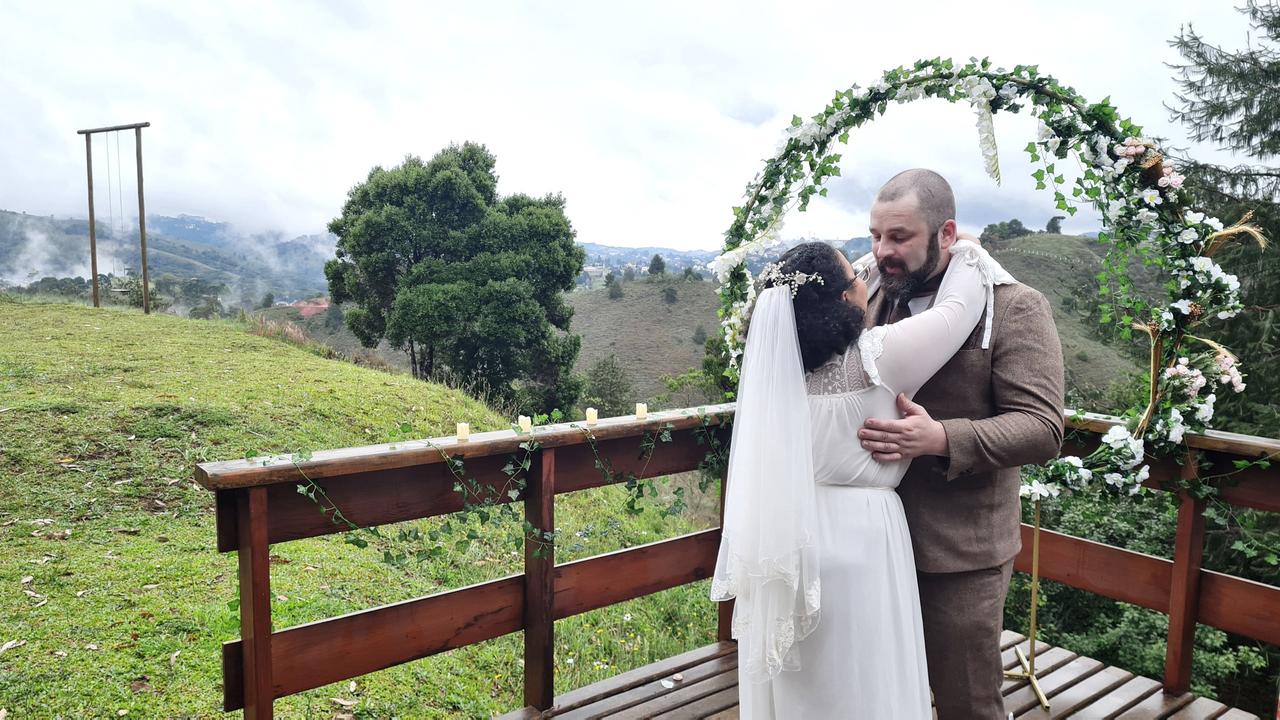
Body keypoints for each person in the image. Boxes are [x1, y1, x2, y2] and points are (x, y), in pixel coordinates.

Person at [711, 226, 1014, 718]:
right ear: (848, 297)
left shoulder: (772, 373)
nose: (865, 276)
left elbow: (837, 281)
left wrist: (864, 264)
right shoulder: (879, 359)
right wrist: (967, 252)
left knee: (806, 682)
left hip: (791, 536)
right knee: (866, 682)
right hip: (862, 539)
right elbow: (957, 312)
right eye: (856, 275)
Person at [857, 169, 1065, 719]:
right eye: (876, 236)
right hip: (872, 541)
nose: (883, 251)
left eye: (899, 237)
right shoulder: (877, 295)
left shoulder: (1017, 306)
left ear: (947, 234)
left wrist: (941, 438)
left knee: (966, 703)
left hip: (962, 553)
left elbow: (1043, 427)